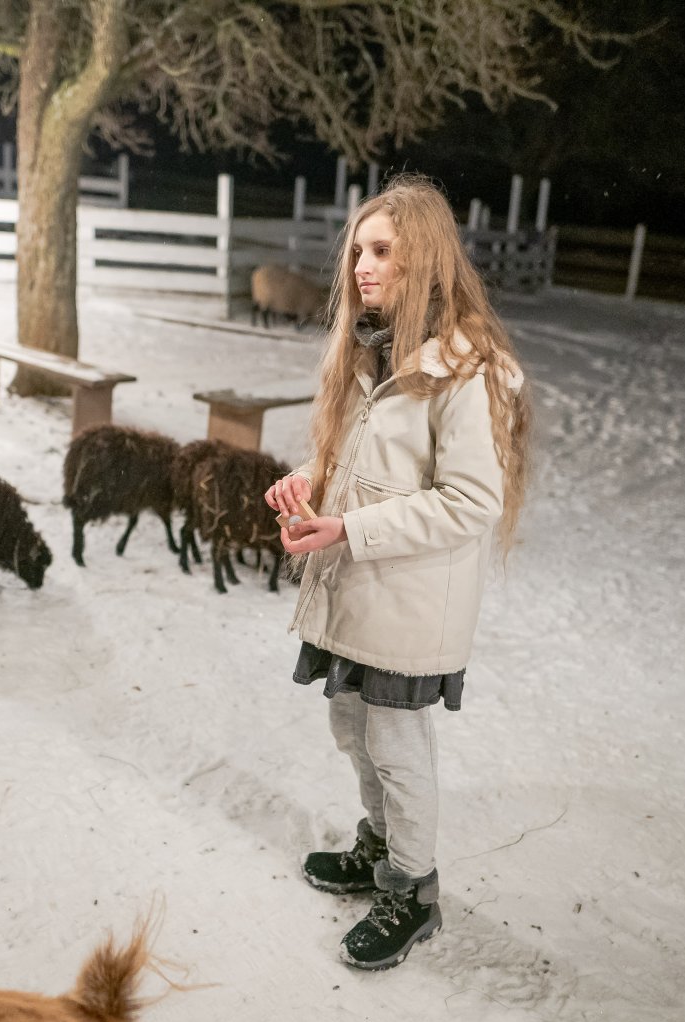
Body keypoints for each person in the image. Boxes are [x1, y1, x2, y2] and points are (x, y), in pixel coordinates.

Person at [264, 174, 531, 971]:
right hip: (359, 586)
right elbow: (357, 456)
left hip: (411, 598)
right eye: (356, 250)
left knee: (395, 742)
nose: (360, 266)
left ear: (426, 259)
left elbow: (472, 499)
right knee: (351, 725)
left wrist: (350, 525)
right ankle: (378, 847)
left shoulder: (465, 368)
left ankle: (413, 891)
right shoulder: (371, 348)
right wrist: (307, 478)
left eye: (381, 251)